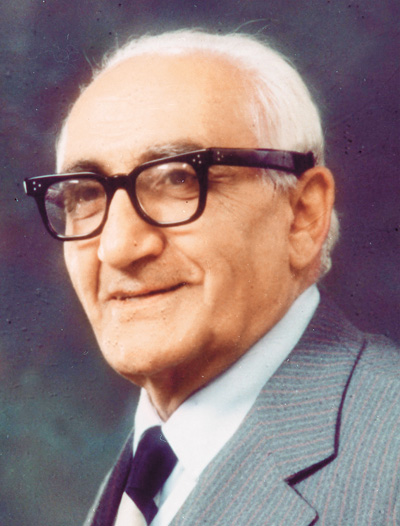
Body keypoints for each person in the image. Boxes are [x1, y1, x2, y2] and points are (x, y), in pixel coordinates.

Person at [24, 30, 399, 526]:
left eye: (178, 178)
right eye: (85, 194)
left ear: (302, 215)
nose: (118, 247)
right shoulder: (150, 466)